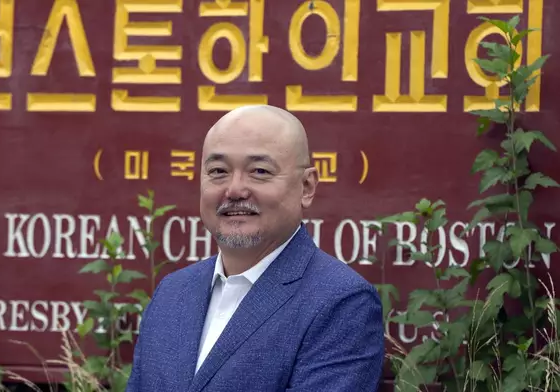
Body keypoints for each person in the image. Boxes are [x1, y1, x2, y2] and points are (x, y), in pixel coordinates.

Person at [125, 105, 385, 392]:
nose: (234, 190)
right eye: (218, 171)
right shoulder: (172, 293)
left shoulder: (340, 303)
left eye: (259, 171)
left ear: (307, 187)